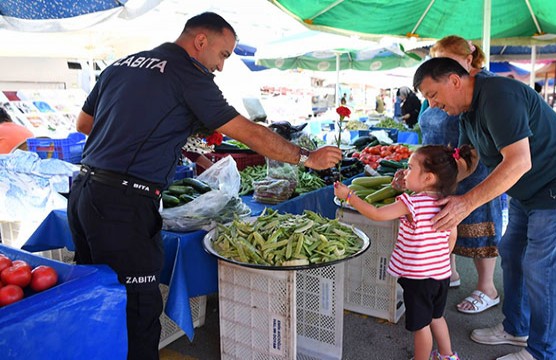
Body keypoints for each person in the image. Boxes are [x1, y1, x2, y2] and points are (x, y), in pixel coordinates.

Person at [67, 12, 342, 360]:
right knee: (138, 310)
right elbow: (250, 133)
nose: (222, 66)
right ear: (200, 41)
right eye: (223, 54)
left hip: (83, 192)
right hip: (124, 205)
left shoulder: (121, 65)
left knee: (97, 297)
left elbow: (84, 123)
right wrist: (307, 158)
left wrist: (154, 139)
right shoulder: (188, 74)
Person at [414, 58, 556, 360]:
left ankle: (544, 353)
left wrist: (466, 202)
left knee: (542, 270)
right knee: (512, 255)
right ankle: (517, 328)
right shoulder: (467, 113)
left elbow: (519, 161)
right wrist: (425, 183)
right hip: (524, 192)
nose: (433, 105)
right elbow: (466, 161)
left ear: (453, 80)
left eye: (432, 95)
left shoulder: (499, 95)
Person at [335, 144, 470, 360]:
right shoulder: (448, 204)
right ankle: (448, 355)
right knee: (436, 317)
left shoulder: (411, 204)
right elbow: (451, 237)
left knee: (421, 326)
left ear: (428, 178)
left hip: (418, 278)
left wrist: (349, 196)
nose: (405, 172)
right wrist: (438, 261)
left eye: (409, 167)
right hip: (441, 275)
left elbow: (377, 214)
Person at [419, 35, 502, 315]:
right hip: (443, 166)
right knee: (443, 221)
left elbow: (479, 148)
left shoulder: (485, 88)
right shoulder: (433, 89)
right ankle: (448, 272)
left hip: (474, 166)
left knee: (480, 225)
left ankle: (487, 288)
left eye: (448, 62)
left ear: (469, 59)